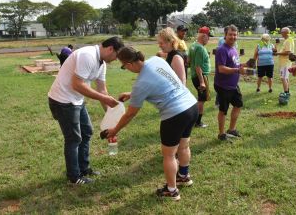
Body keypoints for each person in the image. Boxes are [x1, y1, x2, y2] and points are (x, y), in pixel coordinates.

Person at [102, 46, 198, 201]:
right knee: (184, 145)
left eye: (123, 66)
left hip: (175, 114)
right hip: (191, 106)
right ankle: (184, 176)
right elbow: (160, 83)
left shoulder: (141, 83)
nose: (125, 69)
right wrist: (132, 94)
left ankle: (172, 191)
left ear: (129, 64)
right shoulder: (156, 60)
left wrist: (115, 130)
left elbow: (130, 114)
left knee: (169, 155)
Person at [48, 37, 124, 185]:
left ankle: (83, 168)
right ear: (110, 49)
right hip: (62, 100)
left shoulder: (102, 63)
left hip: (76, 100)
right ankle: (74, 177)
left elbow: (102, 89)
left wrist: (110, 115)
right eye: (116, 56)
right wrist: (104, 98)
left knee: (87, 131)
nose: (116, 60)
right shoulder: (87, 55)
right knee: (74, 138)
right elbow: (77, 85)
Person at [214, 25, 244, 141]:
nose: (233, 36)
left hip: (233, 85)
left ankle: (231, 129)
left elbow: (234, 65)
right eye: (230, 34)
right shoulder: (222, 49)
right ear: (225, 35)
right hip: (223, 86)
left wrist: (243, 65)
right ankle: (221, 134)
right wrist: (237, 70)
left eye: (235, 34)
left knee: (238, 105)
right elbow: (221, 69)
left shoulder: (234, 49)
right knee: (223, 110)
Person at [188, 26, 211, 127]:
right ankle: (198, 122)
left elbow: (188, 61)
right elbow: (198, 66)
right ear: (204, 36)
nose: (209, 39)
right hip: (200, 76)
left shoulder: (193, 45)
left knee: (200, 99)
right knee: (202, 100)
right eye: (208, 37)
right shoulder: (200, 48)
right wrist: (202, 82)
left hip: (194, 76)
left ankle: (195, 120)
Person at [274, 27, 295, 96]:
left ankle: (286, 93)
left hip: (285, 63)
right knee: (285, 78)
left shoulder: (288, 41)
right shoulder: (288, 40)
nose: (281, 33)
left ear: (286, 33)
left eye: (282, 32)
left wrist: (278, 53)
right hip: (285, 63)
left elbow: (288, 52)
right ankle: (287, 91)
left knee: (283, 78)